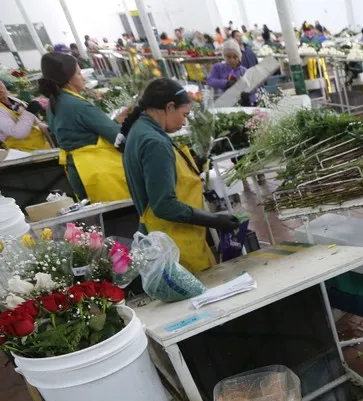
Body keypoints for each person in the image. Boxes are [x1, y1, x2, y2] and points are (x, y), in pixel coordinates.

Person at [123, 79, 240, 274]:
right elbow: (164, 205)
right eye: (184, 114)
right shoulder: (154, 142)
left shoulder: (141, 131)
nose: (185, 122)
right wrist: (213, 219)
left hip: (164, 236)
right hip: (175, 243)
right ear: (169, 107)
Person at [38, 52, 129, 202]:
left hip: (79, 171)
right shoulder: (77, 105)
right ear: (68, 80)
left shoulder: (54, 104)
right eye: (79, 74)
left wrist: (115, 121)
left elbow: (81, 130)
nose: (84, 78)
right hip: (100, 171)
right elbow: (118, 138)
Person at [0, 80, 51, 151]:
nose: (0, 89)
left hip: (43, 148)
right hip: (24, 154)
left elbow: (35, 123)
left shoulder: (15, 100)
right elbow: (17, 133)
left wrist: (49, 129)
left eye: (0, 85)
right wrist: (29, 113)